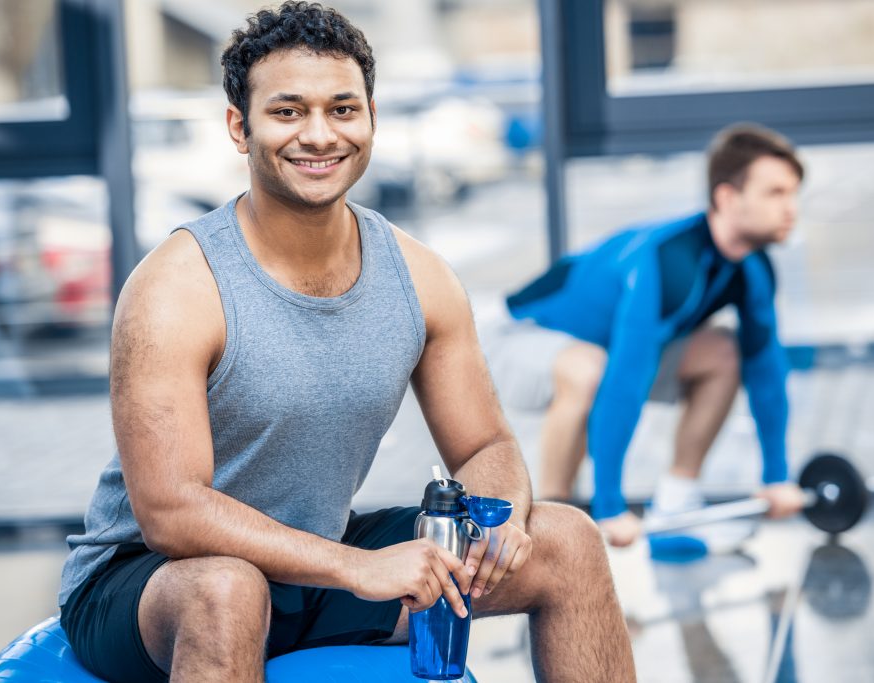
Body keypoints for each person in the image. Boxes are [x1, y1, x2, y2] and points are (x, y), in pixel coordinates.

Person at [56, 4, 635, 682]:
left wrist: (496, 519)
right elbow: (172, 513)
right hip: (155, 582)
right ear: (240, 128)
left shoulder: (419, 276)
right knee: (228, 590)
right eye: (288, 111)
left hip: (315, 562)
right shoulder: (175, 288)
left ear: (372, 120)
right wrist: (360, 568)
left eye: (341, 108)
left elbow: (485, 445)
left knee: (568, 540)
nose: (319, 135)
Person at [487, 123, 808, 548]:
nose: (792, 208)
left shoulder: (753, 267)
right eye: (776, 193)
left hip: (599, 350)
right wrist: (611, 507)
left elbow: (765, 372)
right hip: (514, 337)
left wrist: (776, 478)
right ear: (727, 197)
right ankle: (553, 525)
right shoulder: (668, 262)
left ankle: (677, 500)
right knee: (592, 371)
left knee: (724, 352)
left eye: (792, 193)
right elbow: (625, 384)